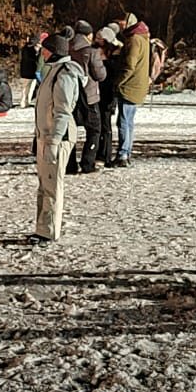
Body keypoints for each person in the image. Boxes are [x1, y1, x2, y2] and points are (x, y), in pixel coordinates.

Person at [32, 33, 86, 242]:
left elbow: (62, 112)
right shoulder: (53, 71)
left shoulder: (64, 74)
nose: (42, 52)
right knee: (45, 184)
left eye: (45, 49)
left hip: (57, 137)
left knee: (53, 185)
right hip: (45, 135)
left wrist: (54, 141)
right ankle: (42, 228)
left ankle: (49, 231)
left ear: (54, 51)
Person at [113, 14, 153, 166]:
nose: (120, 26)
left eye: (122, 23)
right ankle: (126, 152)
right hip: (138, 86)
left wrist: (118, 82)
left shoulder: (134, 40)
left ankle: (123, 154)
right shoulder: (143, 38)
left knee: (123, 121)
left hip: (130, 86)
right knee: (129, 121)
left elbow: (130, 65)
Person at [68, 32, 107, 174]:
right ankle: (87, 163)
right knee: (94, 130)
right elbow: (100, 75)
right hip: (89, 97)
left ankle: (69, 164)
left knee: (70, 130)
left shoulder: (67, 48)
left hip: (70, 96)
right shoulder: (91, 52)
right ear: (88, 35)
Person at [95, 26, 124, 165]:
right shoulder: (97, 51)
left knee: (105, 125)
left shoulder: (115, 55)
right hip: (98, 91)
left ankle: (105, 154)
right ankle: (99, 152)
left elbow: (114, 75)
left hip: (107, 93)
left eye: (99, 38)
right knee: (98, 124)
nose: (96, 40)